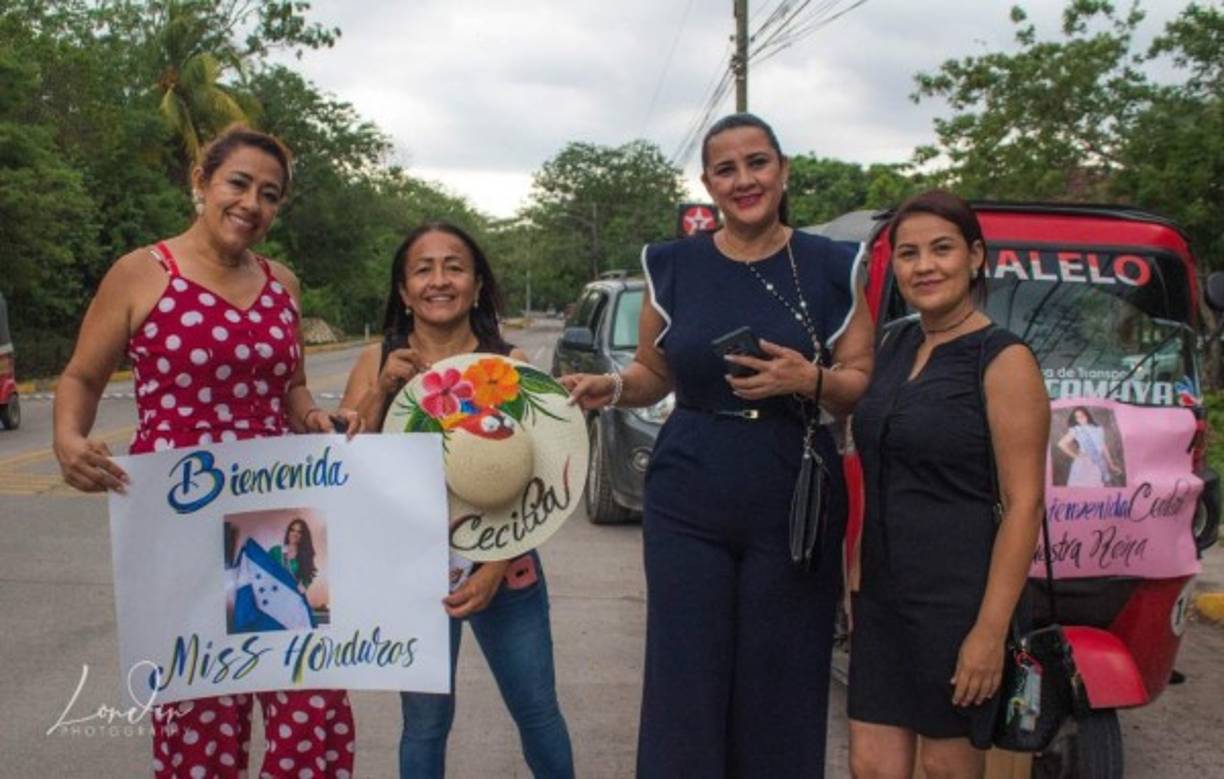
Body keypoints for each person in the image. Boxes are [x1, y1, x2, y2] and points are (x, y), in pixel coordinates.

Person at [562, 113, 874, 777]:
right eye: (725, 169)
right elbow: (655, 374)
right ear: (707, 183)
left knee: (781, 676)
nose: (744, 179)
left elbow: (860, 384)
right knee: (686, 677)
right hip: (689, 488)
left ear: (783, 170)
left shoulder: (832, 265)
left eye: (756, 163)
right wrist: (611, 387)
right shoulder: (671, 264)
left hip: (793, 491)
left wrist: (809, 378)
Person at [52, 124, 361, 779]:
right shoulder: (142, 272)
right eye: (239, 183)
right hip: (178, 517)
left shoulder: (284, 282)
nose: (253, 203)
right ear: (201, 182)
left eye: (270, 194)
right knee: (198, 716)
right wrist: (68, 438)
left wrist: (315, 416)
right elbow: (80, 376)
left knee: (311, 707)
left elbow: (292, 387)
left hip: (278, 520)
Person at [339, 221, 574, 778]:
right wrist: (381, 391)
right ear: (403, 290)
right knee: (423, 724)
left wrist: (492, 566)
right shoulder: (377, 361)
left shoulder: (509, 364)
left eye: (454, 267)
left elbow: (546, 476)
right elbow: (347, 470)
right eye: (423, 269)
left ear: (476, 284)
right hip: (412, 575)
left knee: (538, 713)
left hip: (507, 570)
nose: (439, 281)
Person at [848, 190, 1048, 779]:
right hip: (882, 598)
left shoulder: (1004, 359)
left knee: (946, 769)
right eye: (908, 254)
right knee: (871, 766)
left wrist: (989, 632)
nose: (924, 266)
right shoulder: (896, 343)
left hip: (957, 601)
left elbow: (1024, 504)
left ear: (975, 256)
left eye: (942, 249)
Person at [1058, 406, 1121, 487]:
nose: (1080, 418)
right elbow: (1061, 444)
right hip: (1083, 464)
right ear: (1075, 419)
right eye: (1077, 417)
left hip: (1097, 464)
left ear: (1087, 415)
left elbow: (1104, 447)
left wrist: (1111, 464)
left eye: (1082, 415)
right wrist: (1076, 456)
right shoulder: (1076, 430)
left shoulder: (1099, 429)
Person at [272, 517, 319, 592]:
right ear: (288, 532)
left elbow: (308, 578)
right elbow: (264, 567)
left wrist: (304, 587)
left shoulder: (304, 557)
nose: (295, 534)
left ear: (303, 536)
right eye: (292, 530)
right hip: (274, 592)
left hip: (291, 596)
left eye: (299, 532)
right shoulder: (276, 551)